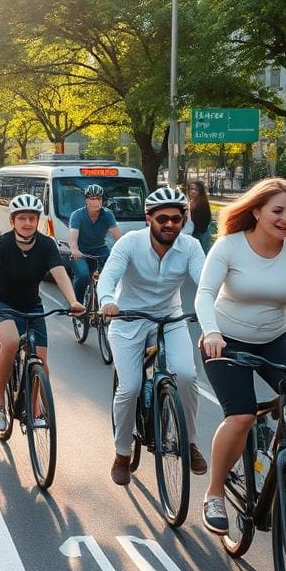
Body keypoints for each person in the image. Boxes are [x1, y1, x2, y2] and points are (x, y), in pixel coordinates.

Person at [196, 178, 286, 535]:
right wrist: (210, 332)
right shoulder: (229, 247)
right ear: (256, 211)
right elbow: (204, 293)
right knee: (239, 417)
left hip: (275, 337)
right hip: (225, 339)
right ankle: (213, 494)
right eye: (277, 211)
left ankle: (273, 459)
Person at [99, 187, 207, 486]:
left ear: (183, 219)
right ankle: (122, 453)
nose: (170, 224)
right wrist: (107, 301)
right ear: (149, 219)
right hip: (128, 318)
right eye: (163, 218)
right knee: (130, 387)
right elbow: (109, 277)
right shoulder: (130, 244)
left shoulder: (191, 247)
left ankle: (190, 443)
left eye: (177, 218)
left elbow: (206, 283)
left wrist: (219, 308)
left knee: (186, 375)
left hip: (170, 318)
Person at [0, 194, 83, 431]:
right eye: (22, 218)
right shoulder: (2, 244)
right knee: (12, 341)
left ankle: (35, 406)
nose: (27, 223)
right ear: (13, 220)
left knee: (42, 363)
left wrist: (73, 301)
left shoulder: (47, 244)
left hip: (31, 305)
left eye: (32, 218)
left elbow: (59, 273)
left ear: (38, 220)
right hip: (0, 303)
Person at [68, 183, 122, 305]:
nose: (95, 201)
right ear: (86, 200)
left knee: (110, 277)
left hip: (101, 251)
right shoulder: (77, 215)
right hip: (81, 252)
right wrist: (75, 250)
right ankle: (77, 305)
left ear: (102, 200)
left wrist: (125, 251)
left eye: (98, 198)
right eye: (92, 199)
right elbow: (73, 237)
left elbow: (118, 237)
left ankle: (107, 304)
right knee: (83, 276)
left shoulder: (107, 214)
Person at [184, 180, 212, 253]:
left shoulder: (201, 203)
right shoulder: (190, 203)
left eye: (195, 189)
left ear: (200, 191)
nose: (192, 191)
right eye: (191, 188)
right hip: (192, 234)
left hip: (201, 235)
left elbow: (202, 222)